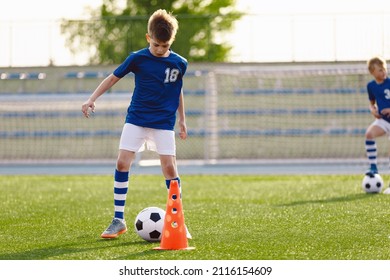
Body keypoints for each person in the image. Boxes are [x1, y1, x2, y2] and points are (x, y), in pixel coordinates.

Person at [81, 9, 190, 239]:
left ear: (171, 41)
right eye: (157, 45)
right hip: (137, 119)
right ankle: (118, 219)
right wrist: (92, 99)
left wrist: (182, 120)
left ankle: (178, 219)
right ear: (148, 38)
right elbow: (112, 77)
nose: (161, 50)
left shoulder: (180, 63)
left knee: (170, 168)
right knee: (122, 163)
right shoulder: (137, 58)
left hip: (163, 123)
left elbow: (177, 90)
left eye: (165, 45)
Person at [364, 56, 390, 176]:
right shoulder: (371, 86)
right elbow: (372, 103)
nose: (384, 72)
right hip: (384, 120)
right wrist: (373, 111)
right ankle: (373, 167)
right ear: (372, 72)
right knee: (369, 134)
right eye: (380, 70)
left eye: (384, 69)